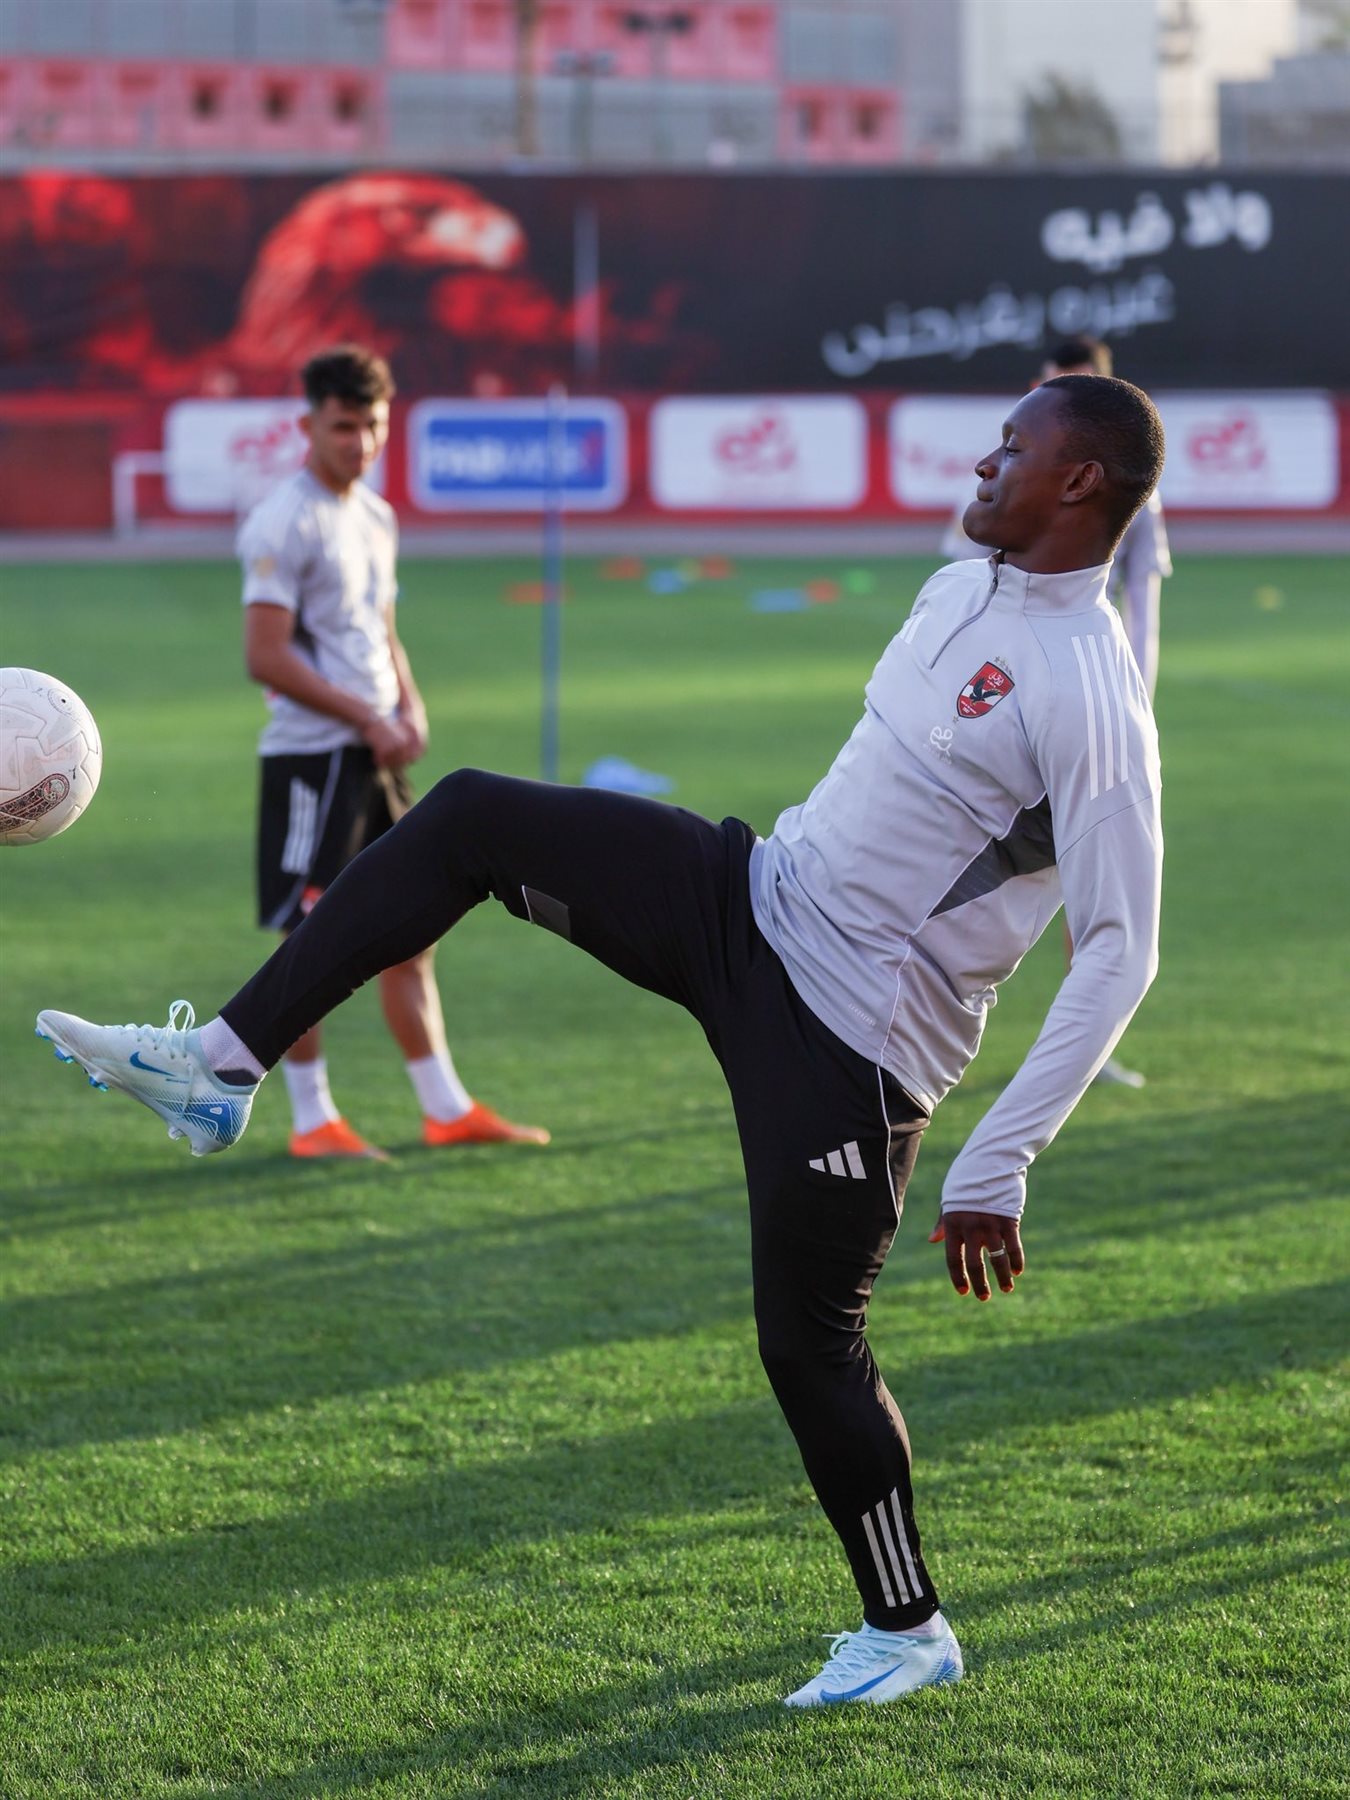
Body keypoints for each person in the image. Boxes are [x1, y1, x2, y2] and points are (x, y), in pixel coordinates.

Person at [37, 375, 1165, 1707]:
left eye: (1013, 449)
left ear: (1078, 484)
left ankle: (908, 1628)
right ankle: (220, 1066)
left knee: (808, 1346)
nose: (983, 464)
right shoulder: (960, 581)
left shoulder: (1090, 691)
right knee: (468, 816)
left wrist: (1000, 1159)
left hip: (850, 1042)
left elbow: (1121, 948)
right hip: (749, 897)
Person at [234, 343, 547, 1158]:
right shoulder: (283, 520)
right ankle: (312, 1120)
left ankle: (446, 1109)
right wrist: (363, 717)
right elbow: (265, 656)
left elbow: (382, 629)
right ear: (308, 425)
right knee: (307, 940)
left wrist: (408, 703)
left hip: (376, 757)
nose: (361, 442)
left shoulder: (376, 515)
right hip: (313, 761)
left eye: (373, 425)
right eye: (344, 426)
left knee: (414, 930)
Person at [942, 335, 1170, 1087]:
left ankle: (1083, 1046)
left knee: (1092, 890)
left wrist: (1135, 693)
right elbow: (965, 571)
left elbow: (1144, 597)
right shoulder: (1013, 472)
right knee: (963, 868)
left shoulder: (1132, 492)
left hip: (1085, 702)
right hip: (999, 699)